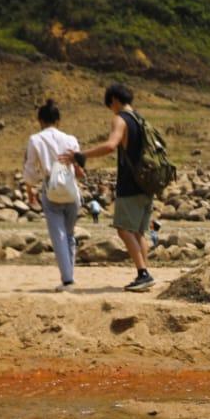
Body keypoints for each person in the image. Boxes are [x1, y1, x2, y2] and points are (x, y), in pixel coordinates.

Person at [60, 82, 155, 292]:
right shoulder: (141, 119)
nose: (111, 109)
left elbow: (111, 145)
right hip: (147, 182)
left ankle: (143, 274)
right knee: (139, 232)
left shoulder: (121, 119)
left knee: (123, 229)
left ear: (114, 100)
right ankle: (145, 273)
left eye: (110, 105)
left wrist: (81, 155)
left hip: (130, 183)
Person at [22, 98, 84, 292]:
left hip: (52, 188)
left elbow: (30, 169)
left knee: (58, 235)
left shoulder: (35, 139)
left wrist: (30, 190)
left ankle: (67, 280)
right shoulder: (71, 139)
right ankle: (69, 276)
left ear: (40, 120)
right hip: (71, 189)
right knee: (70, 235)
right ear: (58, 120)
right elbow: (78, 165)